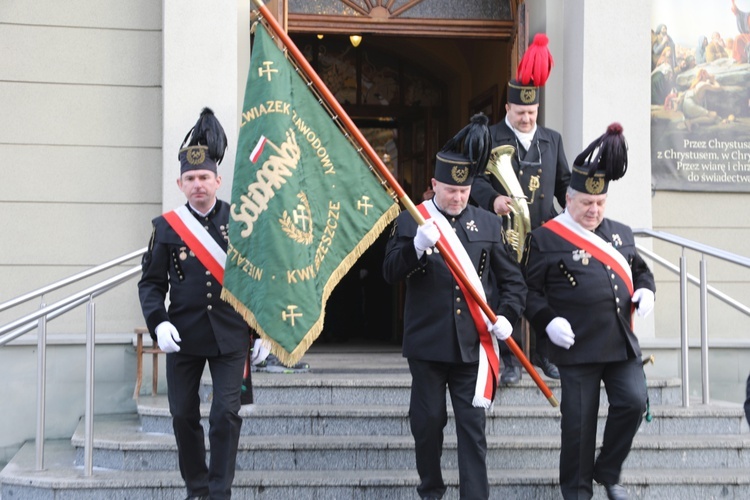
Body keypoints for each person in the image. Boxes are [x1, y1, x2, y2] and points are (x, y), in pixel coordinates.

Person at [383, 114, 526, 500]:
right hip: (427, 345)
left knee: (472, 429)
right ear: (433, 185)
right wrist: (415, 248)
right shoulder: (412, 221)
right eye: (449, 190)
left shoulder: (488, 225)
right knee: (427, 423)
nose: (458, 197)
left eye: (463, 191)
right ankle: (431, 490)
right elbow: (390, 272)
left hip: (472, 346)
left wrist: (508, 318)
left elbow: (513, 282)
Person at [138, 107, 266, 499]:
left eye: (204, 177)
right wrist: (158, 323)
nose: (198, 185)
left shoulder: (241, 223)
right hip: (184, 336)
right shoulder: (167, 229)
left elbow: (258, 282)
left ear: (218, 180)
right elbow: (151, 284)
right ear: (180, 183)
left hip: (231, 336)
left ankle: (219, 490)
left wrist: (260, 332)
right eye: (190, 178)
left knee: (225, 415)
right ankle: (197, 488)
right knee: (182, 416)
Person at [523, 123, 655, 500]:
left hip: (619, 342)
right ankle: (577, 492)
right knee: (578, 428)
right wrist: (547, 321)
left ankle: (608, 470)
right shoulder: (545, 238)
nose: (594, 211)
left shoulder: (619, 233)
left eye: (599, 204)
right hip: (577, 347)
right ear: (569, 199)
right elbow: (527, 290)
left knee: (633, 402)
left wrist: (646, 290)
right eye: (586, 204)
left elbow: (640, 269)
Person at [471, 33, 569, 384]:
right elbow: (474, 181)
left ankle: (547, 353)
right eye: (520, 112)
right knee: (505, 296)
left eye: (532, 113)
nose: (527, 119)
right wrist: (492, 199)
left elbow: (564, 185)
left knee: (548, 292)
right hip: (503, 233)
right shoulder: (490, 136)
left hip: (542, 233)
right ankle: (509, 358)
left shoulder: (552, 140)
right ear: (508, 109)